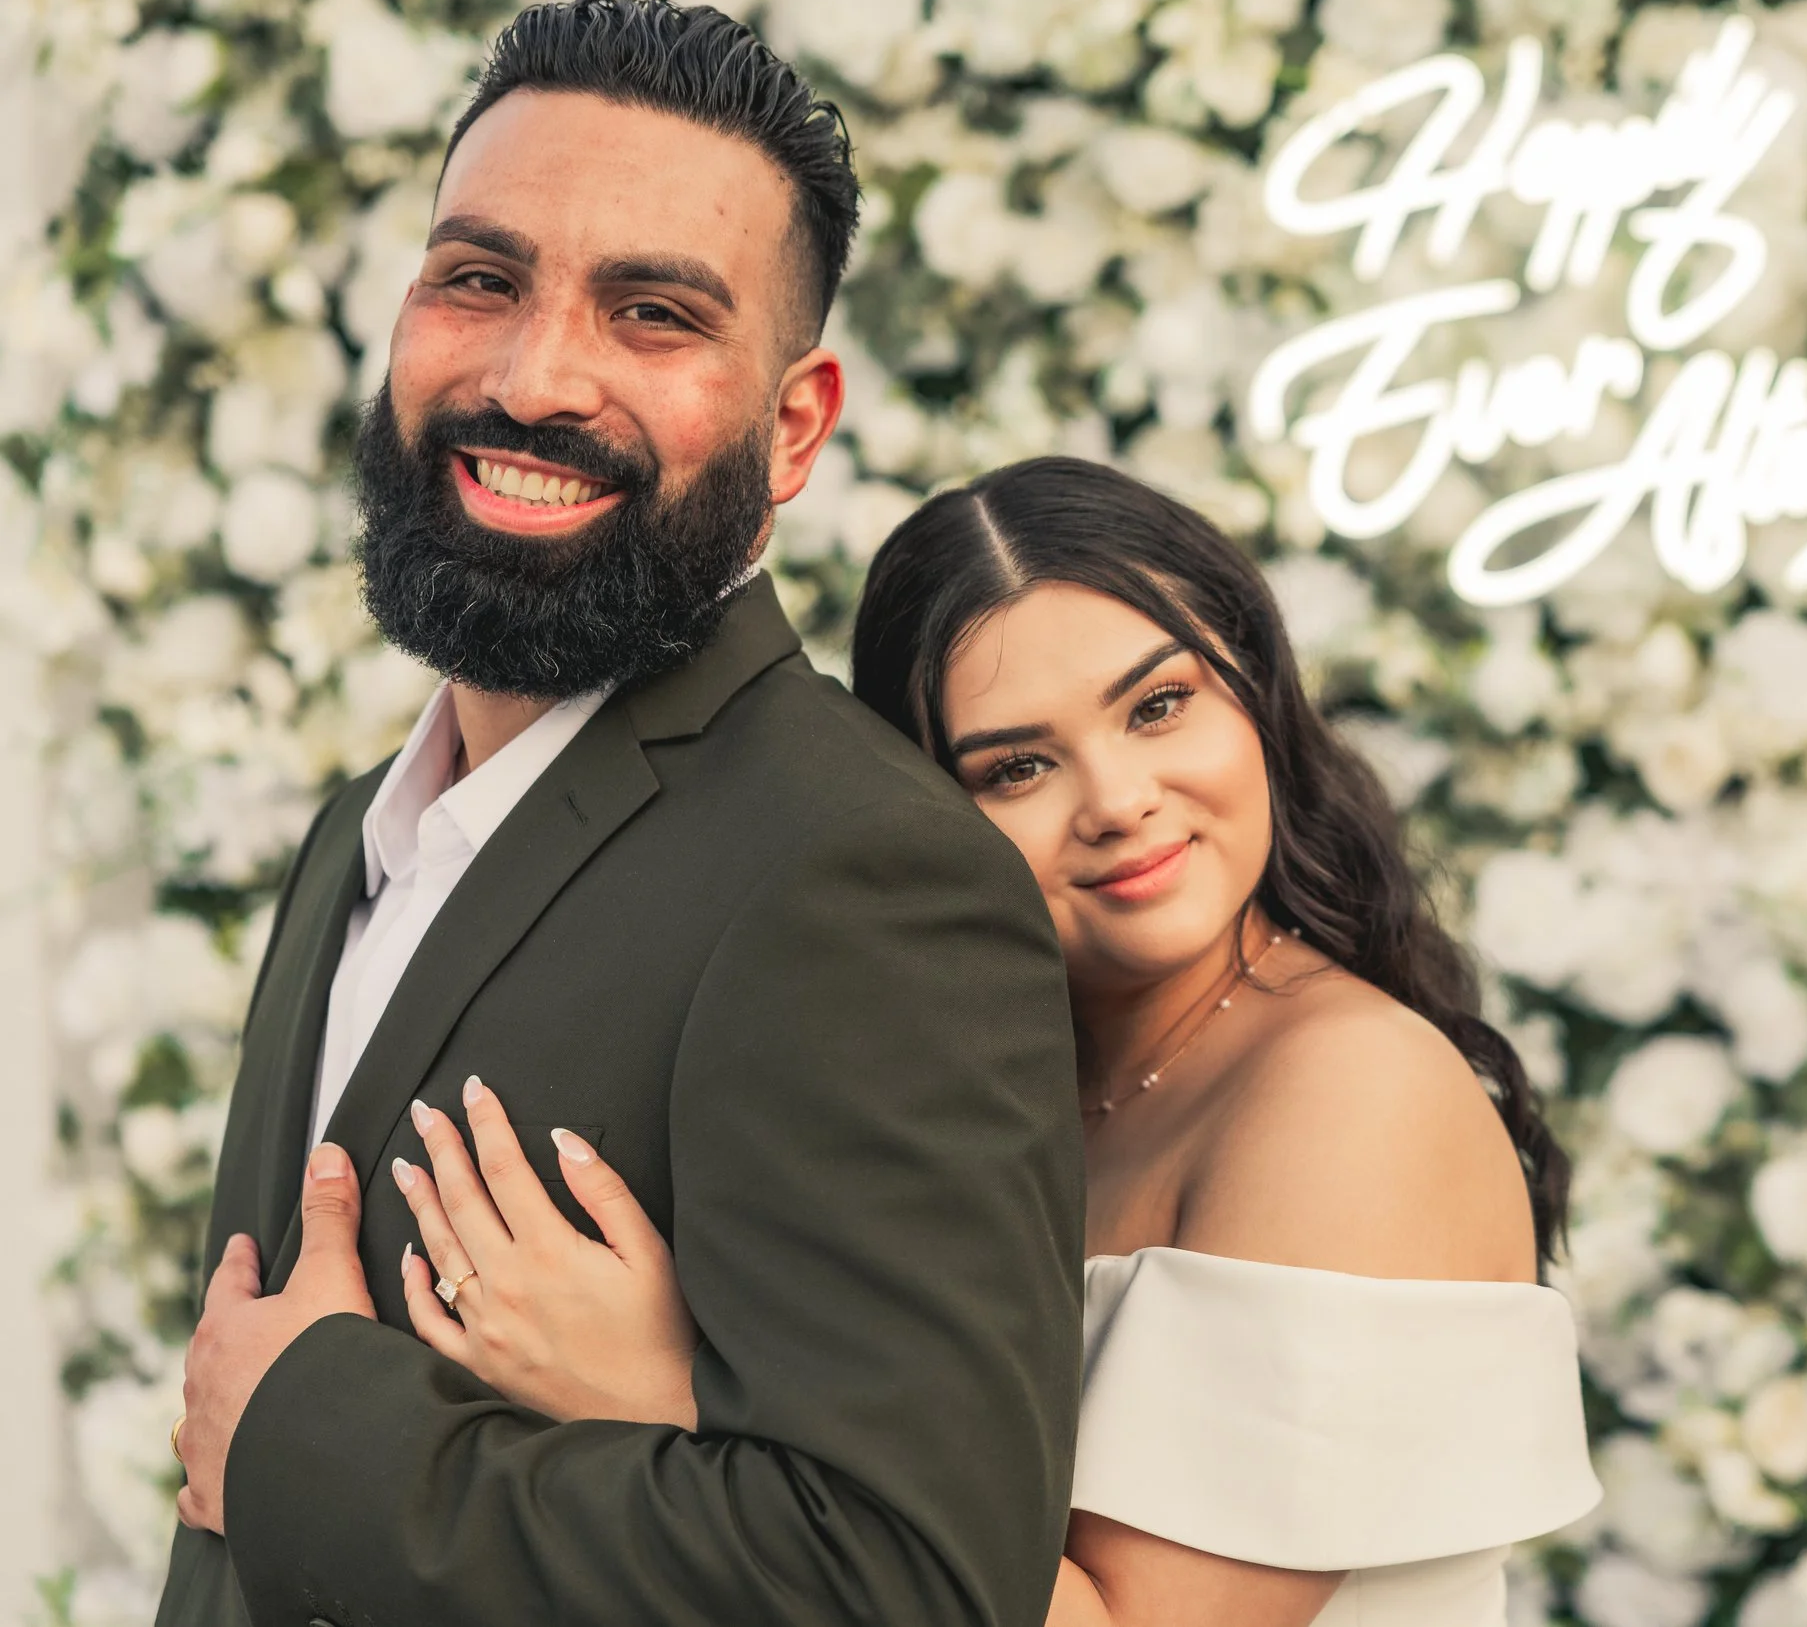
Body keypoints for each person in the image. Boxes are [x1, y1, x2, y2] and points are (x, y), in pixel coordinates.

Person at [159, 0, 1085, 1627]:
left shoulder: (860, 875)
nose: (532, 374)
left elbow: (912, 1586)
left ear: (792, 425)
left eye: (651, 315)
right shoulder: (346, 841)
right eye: (480, 278)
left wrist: (302, 1431)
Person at [386, 455, 1605, 1626]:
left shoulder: (1352, 1088)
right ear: (929, 816)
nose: (1118, 800)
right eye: (1018, 767)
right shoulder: (993, 1076)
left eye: (1160, 704)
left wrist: (675, 1390)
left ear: (1260, 697)